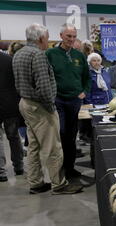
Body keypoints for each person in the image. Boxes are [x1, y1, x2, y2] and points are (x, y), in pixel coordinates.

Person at [13, 23, 82, 194]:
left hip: (25, 103)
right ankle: (59, 184)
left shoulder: (19, 53)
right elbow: (44, 87)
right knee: (53, 147)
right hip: (40, 107)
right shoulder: (38, 55)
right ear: (41, 38)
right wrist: (51, 107)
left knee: (34, 147)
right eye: (47, 37)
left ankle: (36, 182)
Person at [46, 23, 91, 179]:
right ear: (61, 36)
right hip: (57, 100)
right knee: (61, 133)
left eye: (73, 36)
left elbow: (87, 77)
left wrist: (84, 91)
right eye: (68, 36)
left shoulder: (79, 56)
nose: (71, 39)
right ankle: (59, 170)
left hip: (74, 101)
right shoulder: (50, 54)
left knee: (72, 135)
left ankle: (70, 168)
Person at [0, 50, 24, 181]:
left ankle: (1, 172)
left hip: (8, 103)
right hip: (10, 103)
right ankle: (19, 166)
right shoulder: (9, 59)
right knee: (14, 136)